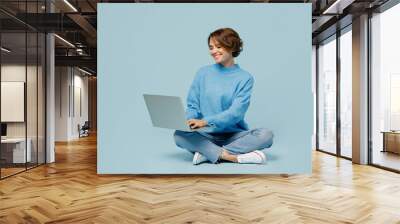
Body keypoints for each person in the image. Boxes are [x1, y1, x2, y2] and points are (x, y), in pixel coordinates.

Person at [173, 28, 273, 165]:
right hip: (205, 134)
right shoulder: (203, 73)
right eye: (211, 47)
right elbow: (192, 105)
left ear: (231, 46)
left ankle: (208, 154)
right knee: (179, 134)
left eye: (218, 46)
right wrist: (189, 120)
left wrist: (205, 121)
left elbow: (235, 113)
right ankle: (231, 156)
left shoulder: (245, 78)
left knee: (265, 135)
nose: (213, 51)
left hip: (234, 135)